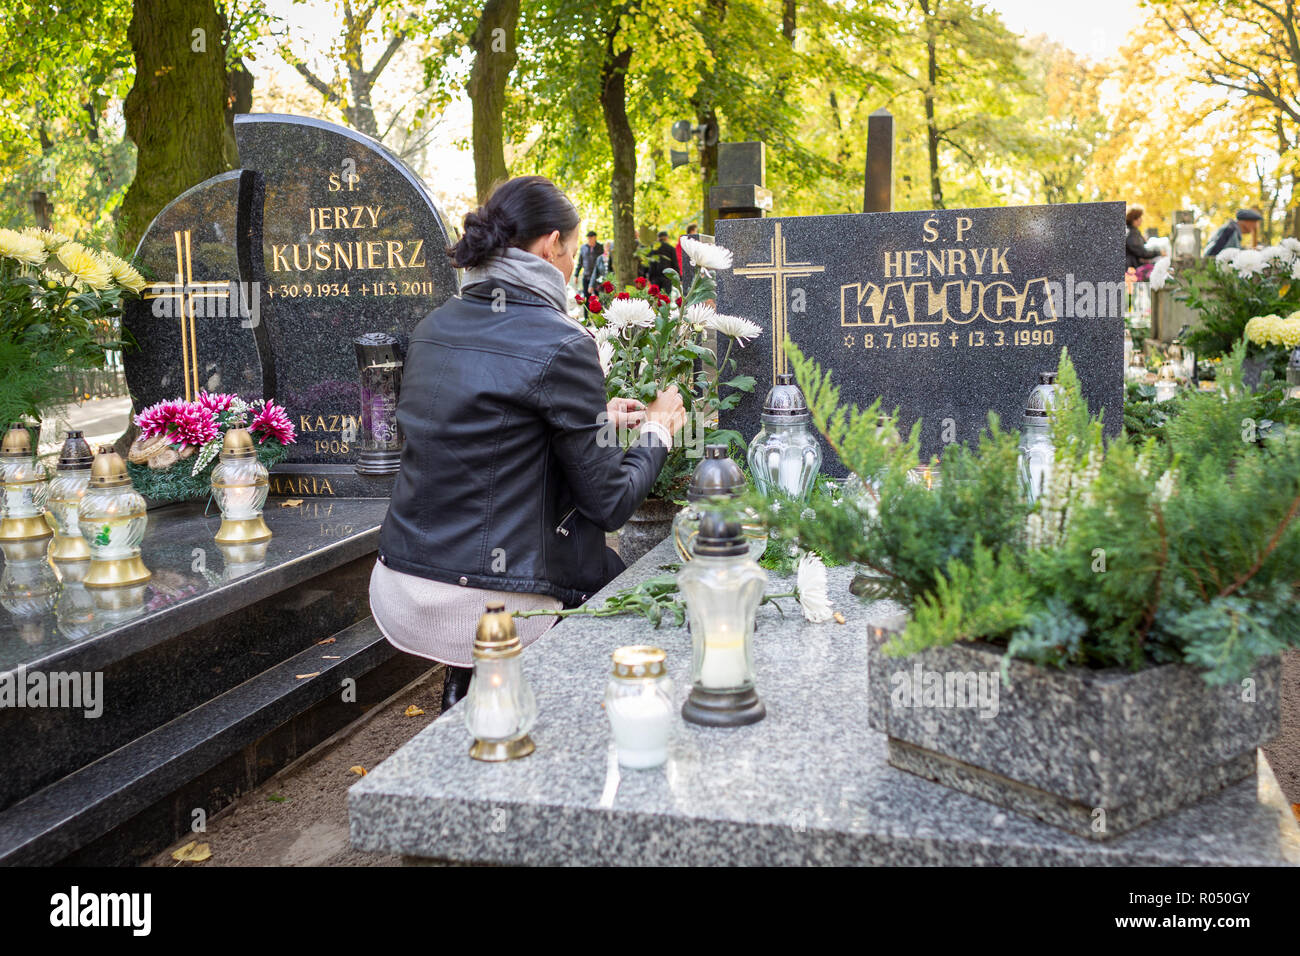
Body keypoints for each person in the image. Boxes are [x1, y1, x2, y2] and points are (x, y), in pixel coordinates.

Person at [370, 176, 687, 711]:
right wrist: (658, 428)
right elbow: (609, 505)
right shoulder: (560, 341)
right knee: (644, 597)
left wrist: (592, 418)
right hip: (487, 594)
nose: (570, 270)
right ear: (551, 245)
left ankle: (465, 687)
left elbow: (479, 430)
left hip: (402, 579)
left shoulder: (431, 327)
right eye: (571, 250)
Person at [576, 230, 601, 295]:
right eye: (588, 238)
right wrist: (576, 275)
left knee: (598, 298)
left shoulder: (600, 247)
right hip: (586, 276)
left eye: (591, 238)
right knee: (586, 297)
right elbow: (580, 262)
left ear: (595, 238)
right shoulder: (583, 248)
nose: (589, 239)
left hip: (597, 278)